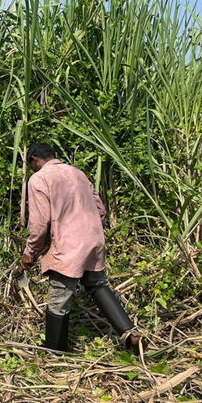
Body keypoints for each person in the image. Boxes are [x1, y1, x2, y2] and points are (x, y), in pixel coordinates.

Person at [22, 143, 141, 352]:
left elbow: (40, 224)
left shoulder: (39, 179)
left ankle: (55, 351)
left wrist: (30, 252)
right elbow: (100, 210)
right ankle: (129, 332)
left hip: (68, 245)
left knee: (59, 298)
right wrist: (88, 230)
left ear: (35, 159)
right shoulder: (77, 173)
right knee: (97, 285)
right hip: (93, 240)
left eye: (30, 164)